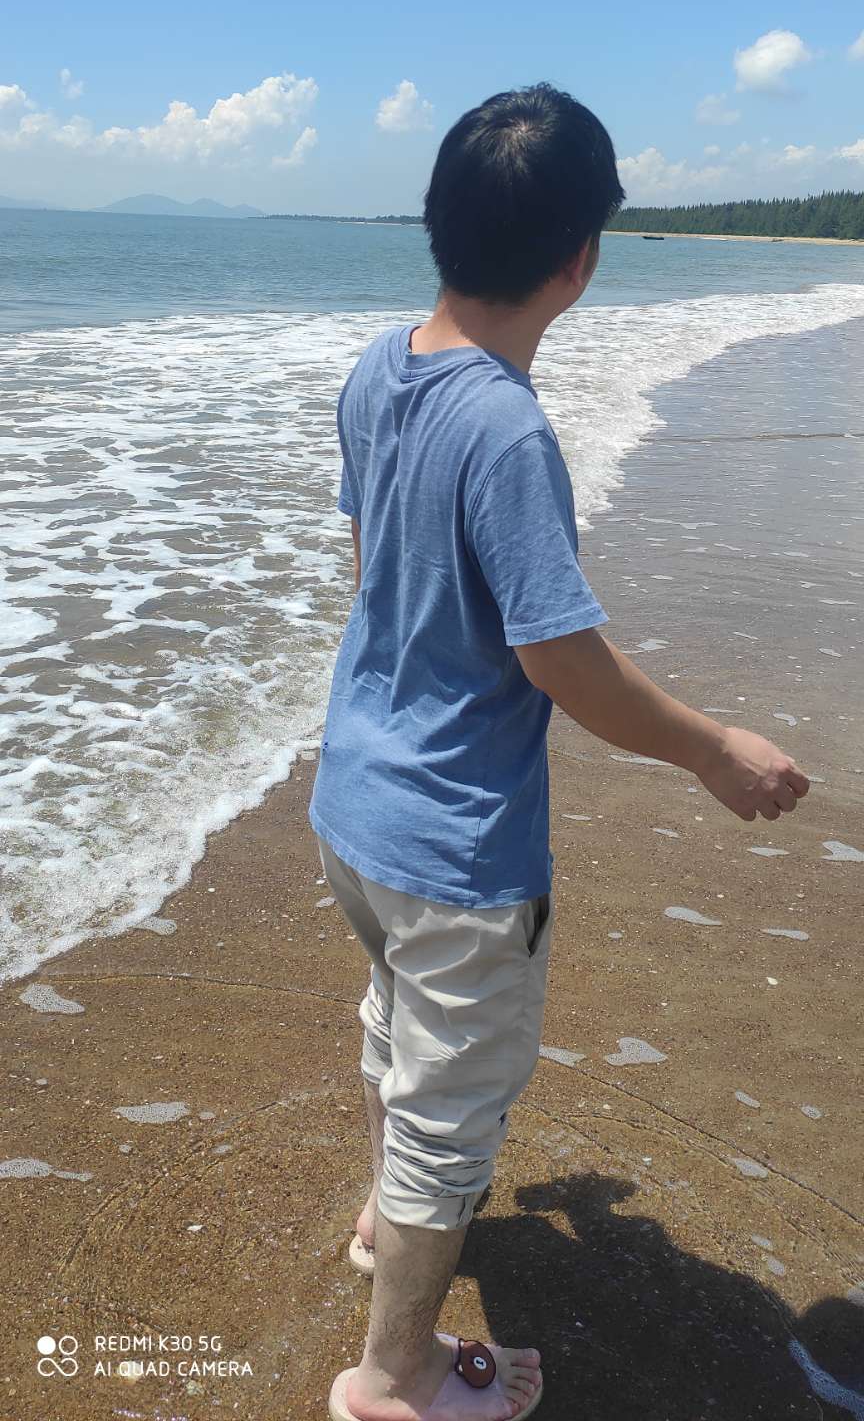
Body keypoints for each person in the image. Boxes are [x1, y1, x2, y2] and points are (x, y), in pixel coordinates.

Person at [308, 84, 810, 1421]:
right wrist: (711, 750)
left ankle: (383, 1223)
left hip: (354, 799)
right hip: (456, 844)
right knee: (450, 1104)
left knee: (395, 1029)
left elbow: (372, 575)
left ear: (438, 222)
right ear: (580, 260)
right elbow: (563, 661)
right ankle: (396, 1376)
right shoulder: (509, 431)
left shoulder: (377, 370)